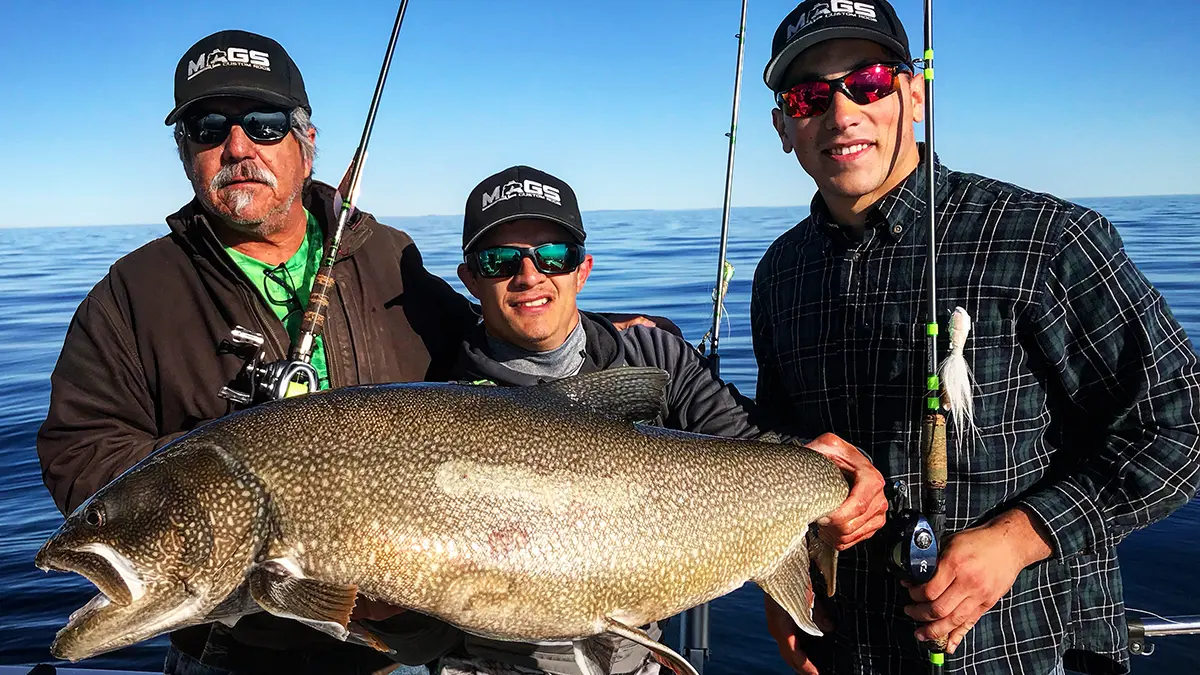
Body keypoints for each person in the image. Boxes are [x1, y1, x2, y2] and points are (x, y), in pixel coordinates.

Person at [750, 2, 1200, 674]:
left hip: (1027, 648)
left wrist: (1019, 538)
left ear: (914, 94)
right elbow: (781, 450)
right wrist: (782, 584)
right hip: (847, 650)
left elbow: (1179, 423)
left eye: (869, 81)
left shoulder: (1048, 238)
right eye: (810, 95)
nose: (843, 112)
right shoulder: (780, 274)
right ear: (785, 126)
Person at [35, 29, 484, 675]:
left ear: (306, 142)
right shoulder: (132, 292)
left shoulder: (390, 256)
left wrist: (600, 334)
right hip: (235, 649)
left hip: (405, 639)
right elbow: (80, 445)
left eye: (265, 124)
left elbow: (483, 363)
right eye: (207, 127)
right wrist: (235, 492)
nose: (237, 147)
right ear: (185, 150)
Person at [368, 164, 885, 675]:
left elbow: (752, 446)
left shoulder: (654, 354)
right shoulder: (440, 394)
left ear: (583, 269)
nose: (529, 276)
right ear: (470, 279)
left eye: (553, 255)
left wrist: (840, 477)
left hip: (637, 656)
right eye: (499, 260)